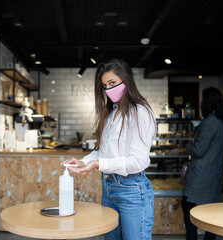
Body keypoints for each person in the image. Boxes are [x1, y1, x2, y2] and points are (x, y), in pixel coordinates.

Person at [61, 58, 156, 240]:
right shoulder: (112, 113)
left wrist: (97, 164)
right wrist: (84, 162)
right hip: (109, 189)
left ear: (126, 79)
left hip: (132, 191)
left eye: (112, 83)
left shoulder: (141, 112)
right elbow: (102, 151)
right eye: (105, 85)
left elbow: (138, 161)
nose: (108, 89)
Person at [181, 87, 223, 240]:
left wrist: (186, 147)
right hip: (214, 173)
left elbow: (199, 150)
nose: (201, 102)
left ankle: (192, 238)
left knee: (187, 205)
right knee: (211, 212)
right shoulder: (222, 123)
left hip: (202, 174)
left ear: (209, 101)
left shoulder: (211, 122)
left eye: (203, 99)